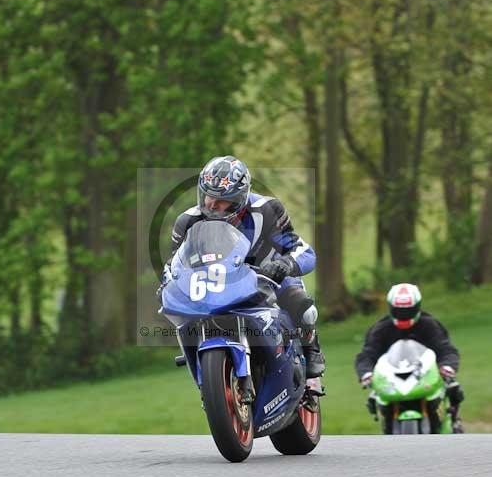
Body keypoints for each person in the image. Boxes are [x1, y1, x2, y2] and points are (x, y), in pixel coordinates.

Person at [163, 155, 325, 410]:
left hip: (268, 275)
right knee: (184, 316)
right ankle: (208, 378)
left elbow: (301, 250)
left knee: (299, 302)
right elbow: (174, 264)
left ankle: (312, 355)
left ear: (240, 199)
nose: (212, 204)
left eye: (222, 200)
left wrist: (284, 265)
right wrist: (169, 282)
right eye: (208, 196)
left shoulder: (268, 210)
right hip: (216, 282)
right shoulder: (187, 221)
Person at [355, 282, 464, 433]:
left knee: (453, 387)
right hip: (393, 377)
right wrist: (366, 373)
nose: (404, 315)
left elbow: (445, 348)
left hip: (424, 374)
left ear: (417, 307)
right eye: (399, 310)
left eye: (408, 310)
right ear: (391, 307)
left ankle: (454, 420)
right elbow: (368, 354)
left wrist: (447, 365)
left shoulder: (429, 325)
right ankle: (387, 423)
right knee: (374, 396)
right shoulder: (381, 329)